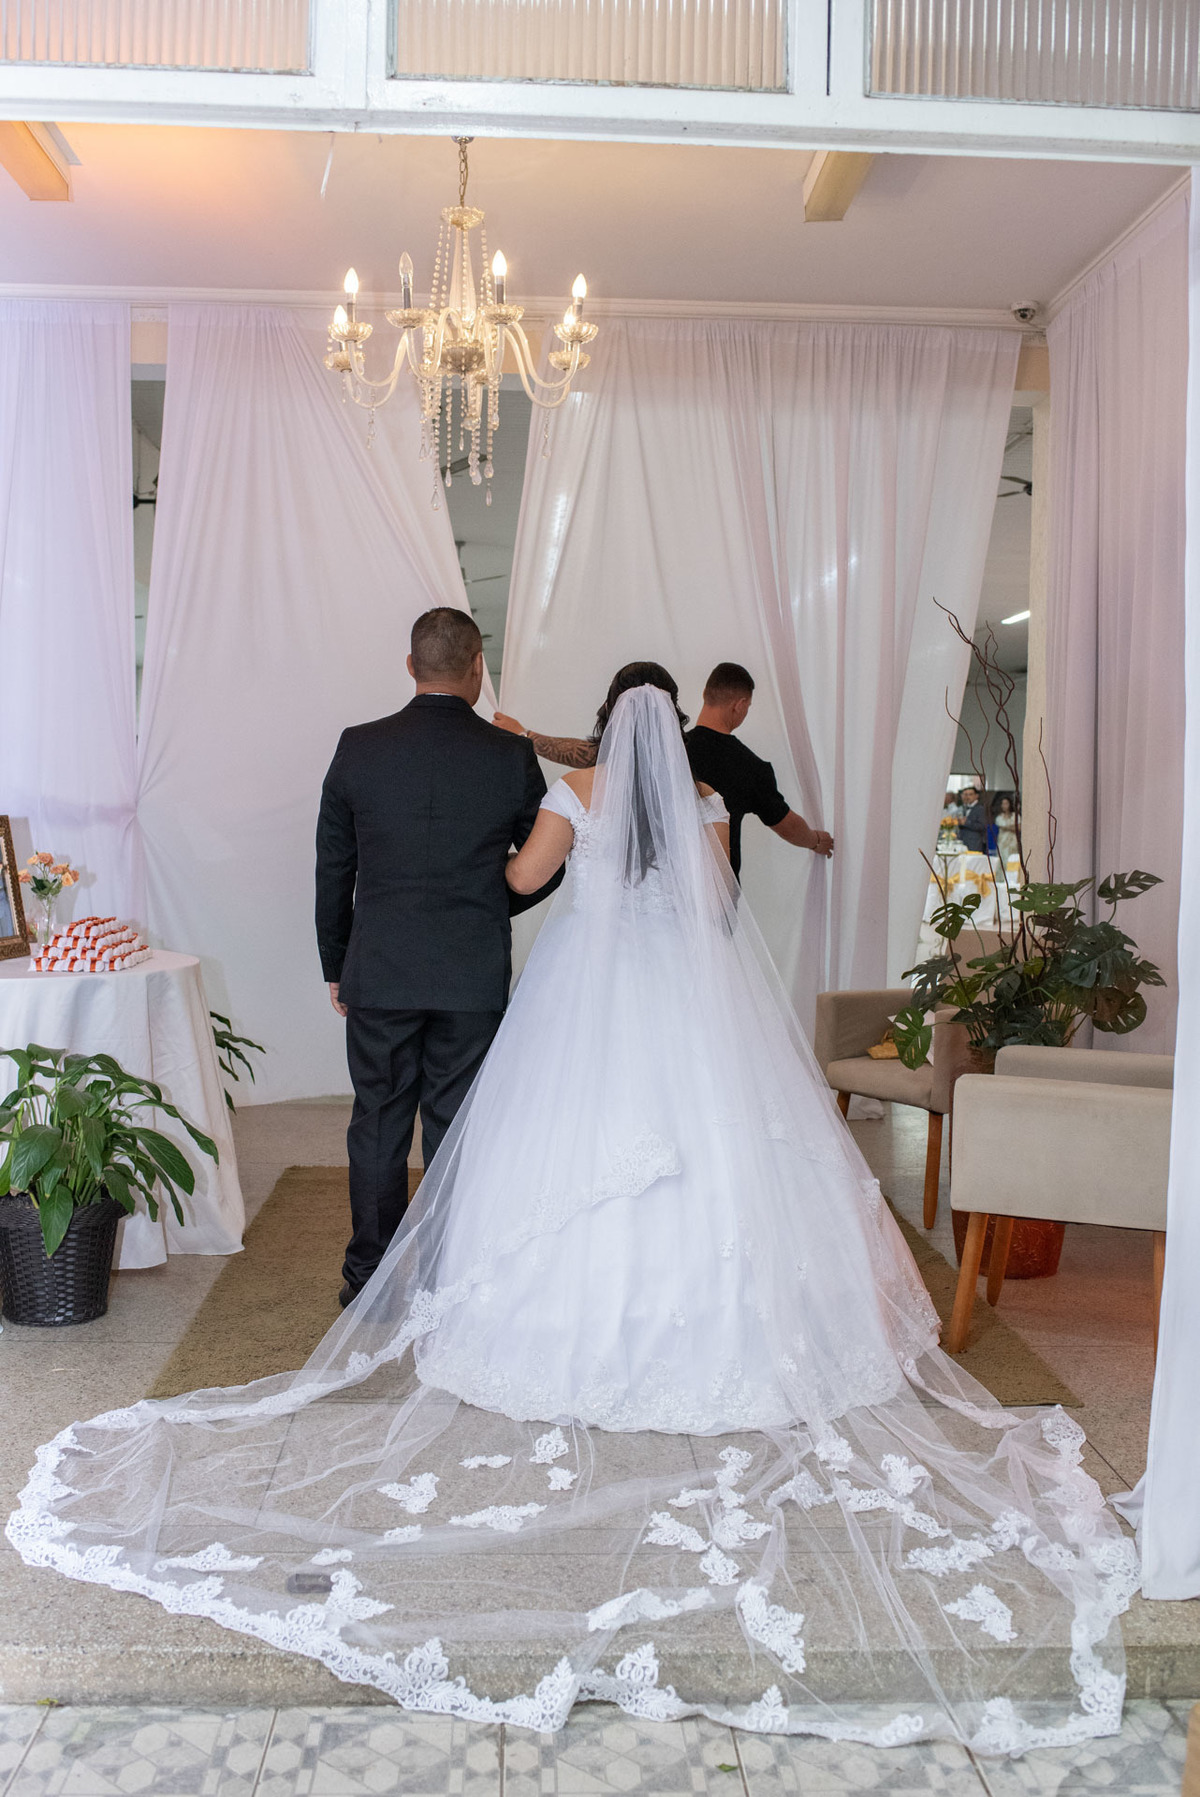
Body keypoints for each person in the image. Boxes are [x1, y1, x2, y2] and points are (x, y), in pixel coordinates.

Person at [17, 672, 1133, 1754]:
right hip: (684, 1004)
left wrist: (518, 863)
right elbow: (720, 905)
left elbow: (520, 880)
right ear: (675, 729)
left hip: (582, 997)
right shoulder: (703, 799)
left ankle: (525, 1319)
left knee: (507, 1139)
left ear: (606, 724)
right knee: (725, 1148)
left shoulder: (574, 791)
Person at [315, 606, 560, 1305]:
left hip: (379, 968)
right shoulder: (508, 755)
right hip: (470, 972)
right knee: (454, 1127)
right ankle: (445, 1281)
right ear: (478, 667)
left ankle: (368, 1282)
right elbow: (546, 864)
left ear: (410, 666)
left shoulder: (358, 746)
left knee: (378, 1122)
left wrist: (336, 962)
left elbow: (333, 869)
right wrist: (484, 904)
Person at [494, 660, 833, 879]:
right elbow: (785, 823)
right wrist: (816, 840)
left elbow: (585, 754)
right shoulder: (746, 768)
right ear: (740, 704)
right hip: (699, 924)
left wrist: (526, 736)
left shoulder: (626, 760)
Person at [957, 784, 989, 853]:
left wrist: (966, 823)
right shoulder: (964, 808)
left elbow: (982, 826)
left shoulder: (980, 809)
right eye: (966, 795)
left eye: (970, 794)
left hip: (974, 843)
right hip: (962, 841)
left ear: (976, 796)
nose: (967, 797)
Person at [993, 793, 1020, 865]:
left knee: (1012, 860)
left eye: (1006, 803)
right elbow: (1000, 826)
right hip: (1002, 842)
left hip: (1013, 842)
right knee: (1002, 860)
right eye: (1003, 804)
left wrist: (1006, 827)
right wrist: (1011, 826)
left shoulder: (1015, 816)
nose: (1004, 806)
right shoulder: (999, 817)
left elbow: (1018, 828)